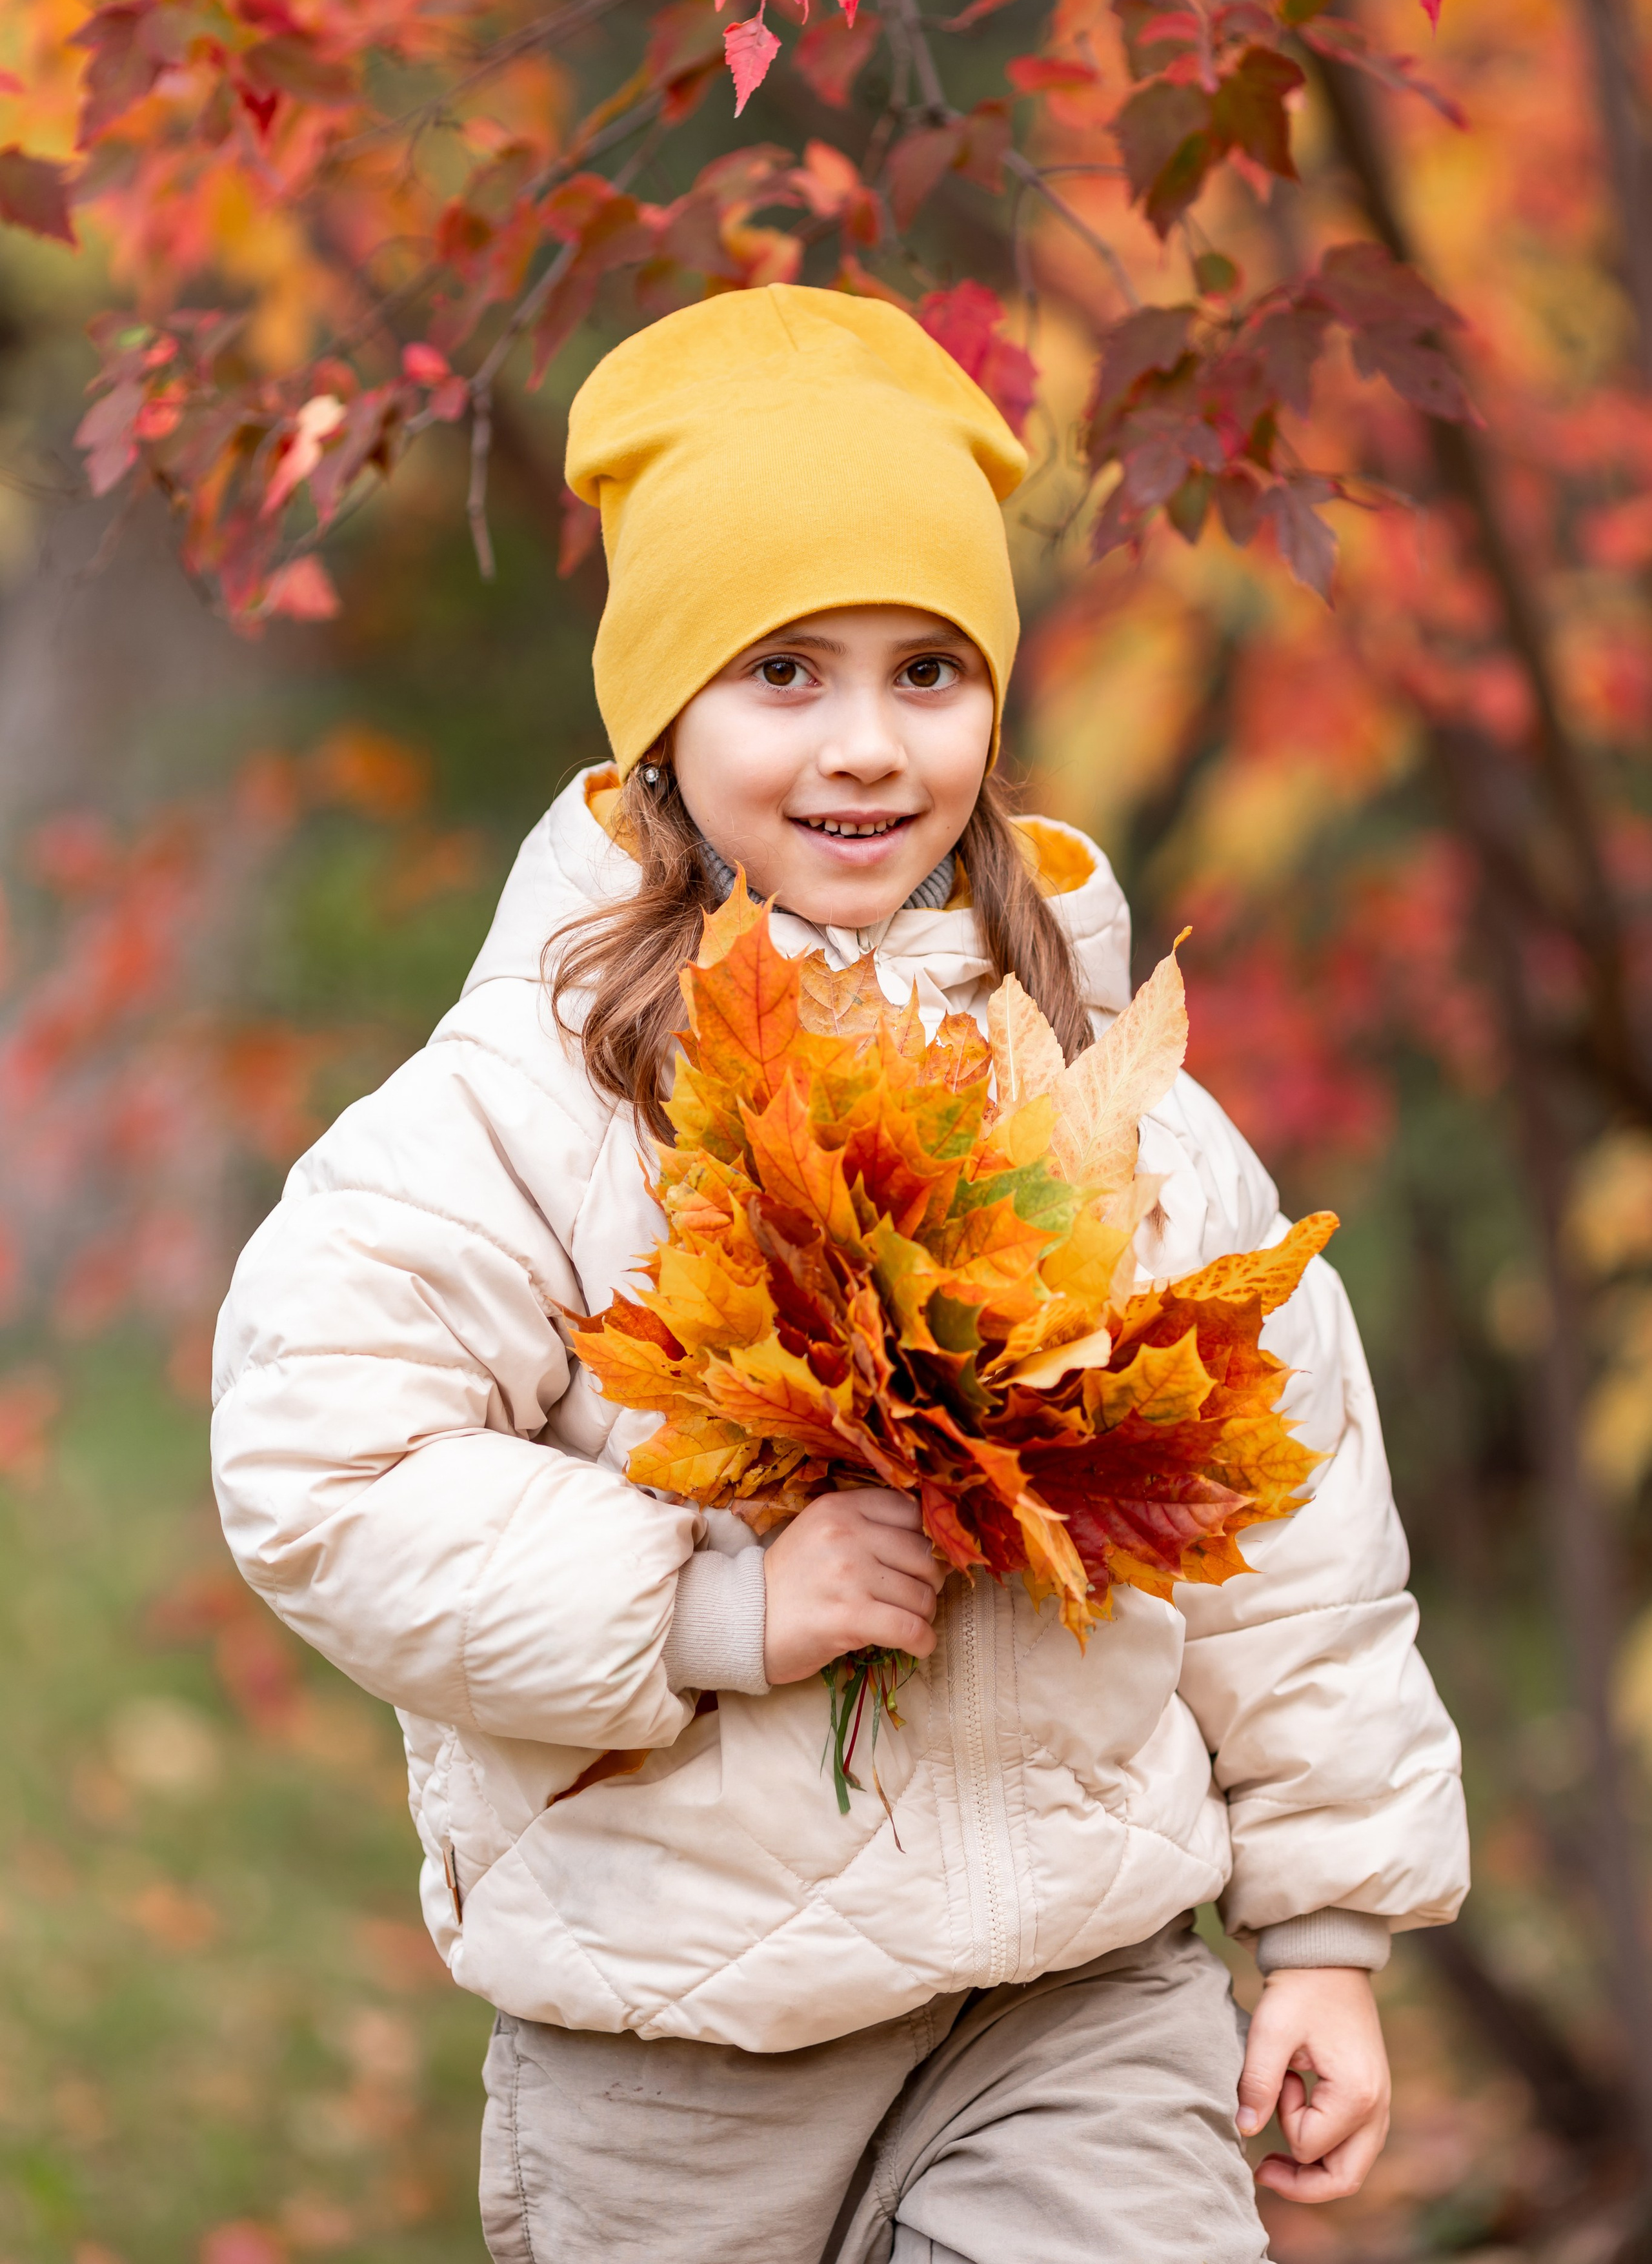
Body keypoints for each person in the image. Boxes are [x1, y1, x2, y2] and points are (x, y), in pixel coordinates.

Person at [211, 286, 1469, 2264]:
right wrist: (715, 1600)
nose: (868, 747)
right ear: (662, 711)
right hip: (678, 2036)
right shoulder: (532, 1103)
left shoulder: (1103, 1099)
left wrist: (1326, 1930)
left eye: (929, 673)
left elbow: (1287, 1511)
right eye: (784, 671)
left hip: (1075, 2007)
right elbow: (323, 1468)